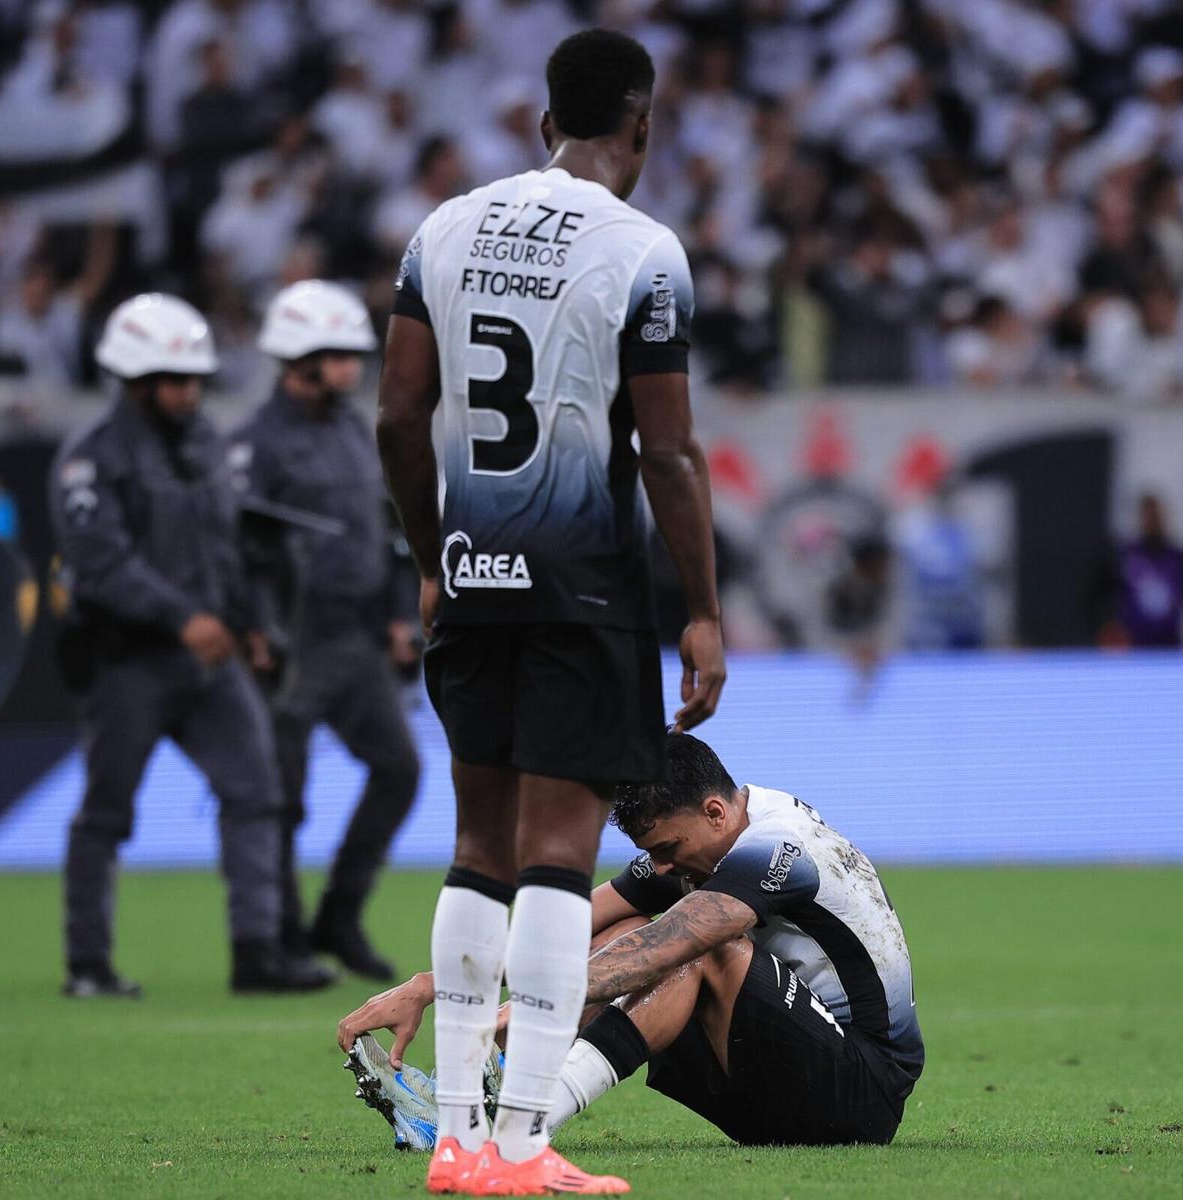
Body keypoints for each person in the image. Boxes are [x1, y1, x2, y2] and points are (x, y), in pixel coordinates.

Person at [374, 28, 726, 1196]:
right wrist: (703, 608)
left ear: (543, 124)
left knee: (476, 852)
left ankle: (457, 1142)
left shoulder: (442, 229)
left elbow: (398, 417)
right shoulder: (644, 252)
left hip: (471, 578)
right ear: (642, 124)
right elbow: (668, 452)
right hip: (585, 589)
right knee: (559, 863)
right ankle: (522, 1146)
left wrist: (431, 556)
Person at [336, 732, 923, 1156]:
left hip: (862, 1094)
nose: (662, 866)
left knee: (694, 945)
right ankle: (487, 1101)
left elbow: (669, 945)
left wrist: (528, 1008)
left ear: (715, 812)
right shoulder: (712, 837)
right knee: (620, 934)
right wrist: (433, 986)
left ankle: (522, 1122)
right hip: (777, 1084)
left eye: (668, 849)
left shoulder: (781, 849)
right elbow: (571, 925)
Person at [49, 292, 329, 999]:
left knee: (257, 791)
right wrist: (181, 618)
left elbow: (227, 552)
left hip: (210, 656)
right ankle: (88, 964)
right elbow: (101, 564)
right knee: (107, 810)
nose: (188, 391)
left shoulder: (207, 444)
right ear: (133, 380)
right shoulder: (90, 458)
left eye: (194, 379)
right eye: (172, 380)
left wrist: (251, 623)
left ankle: (257, 951)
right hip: (127, 660)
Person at [231, 279, 421, 981]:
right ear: (299, 357)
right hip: (293, 640)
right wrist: (256, 627)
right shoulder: (254, 445)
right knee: (280, 794)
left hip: (358, 636)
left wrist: (399, 612)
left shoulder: (354, 429)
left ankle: (338, 915)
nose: (352, 365)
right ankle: (279, 935)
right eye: (338, 354)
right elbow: (240, 552)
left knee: (399, 770)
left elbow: (389, 529)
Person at [1094, 493, 1183, 650]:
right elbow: (1099, 599)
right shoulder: (1122, 558)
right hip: (1133, 648)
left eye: (1156, 515)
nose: (1153, 521)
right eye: (1148, 516)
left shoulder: (1181, 559)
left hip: (1171, 647)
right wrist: (1107, 627)